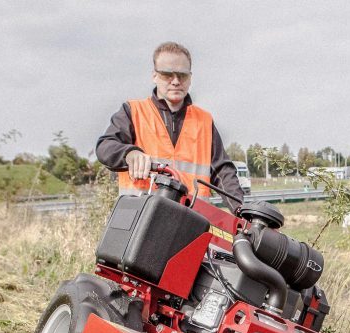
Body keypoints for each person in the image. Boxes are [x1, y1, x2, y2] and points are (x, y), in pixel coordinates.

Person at [96, 41, 243, 210]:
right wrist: (130, 154)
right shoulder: (133, 111)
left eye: (182, 75)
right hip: (142, 222)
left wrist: (241, 211)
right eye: (167, 74)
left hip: (192, 224)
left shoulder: (204, 121)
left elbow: (223, 171)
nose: (175, 81)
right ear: (155, 76)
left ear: (190, 78)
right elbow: (105, 146)